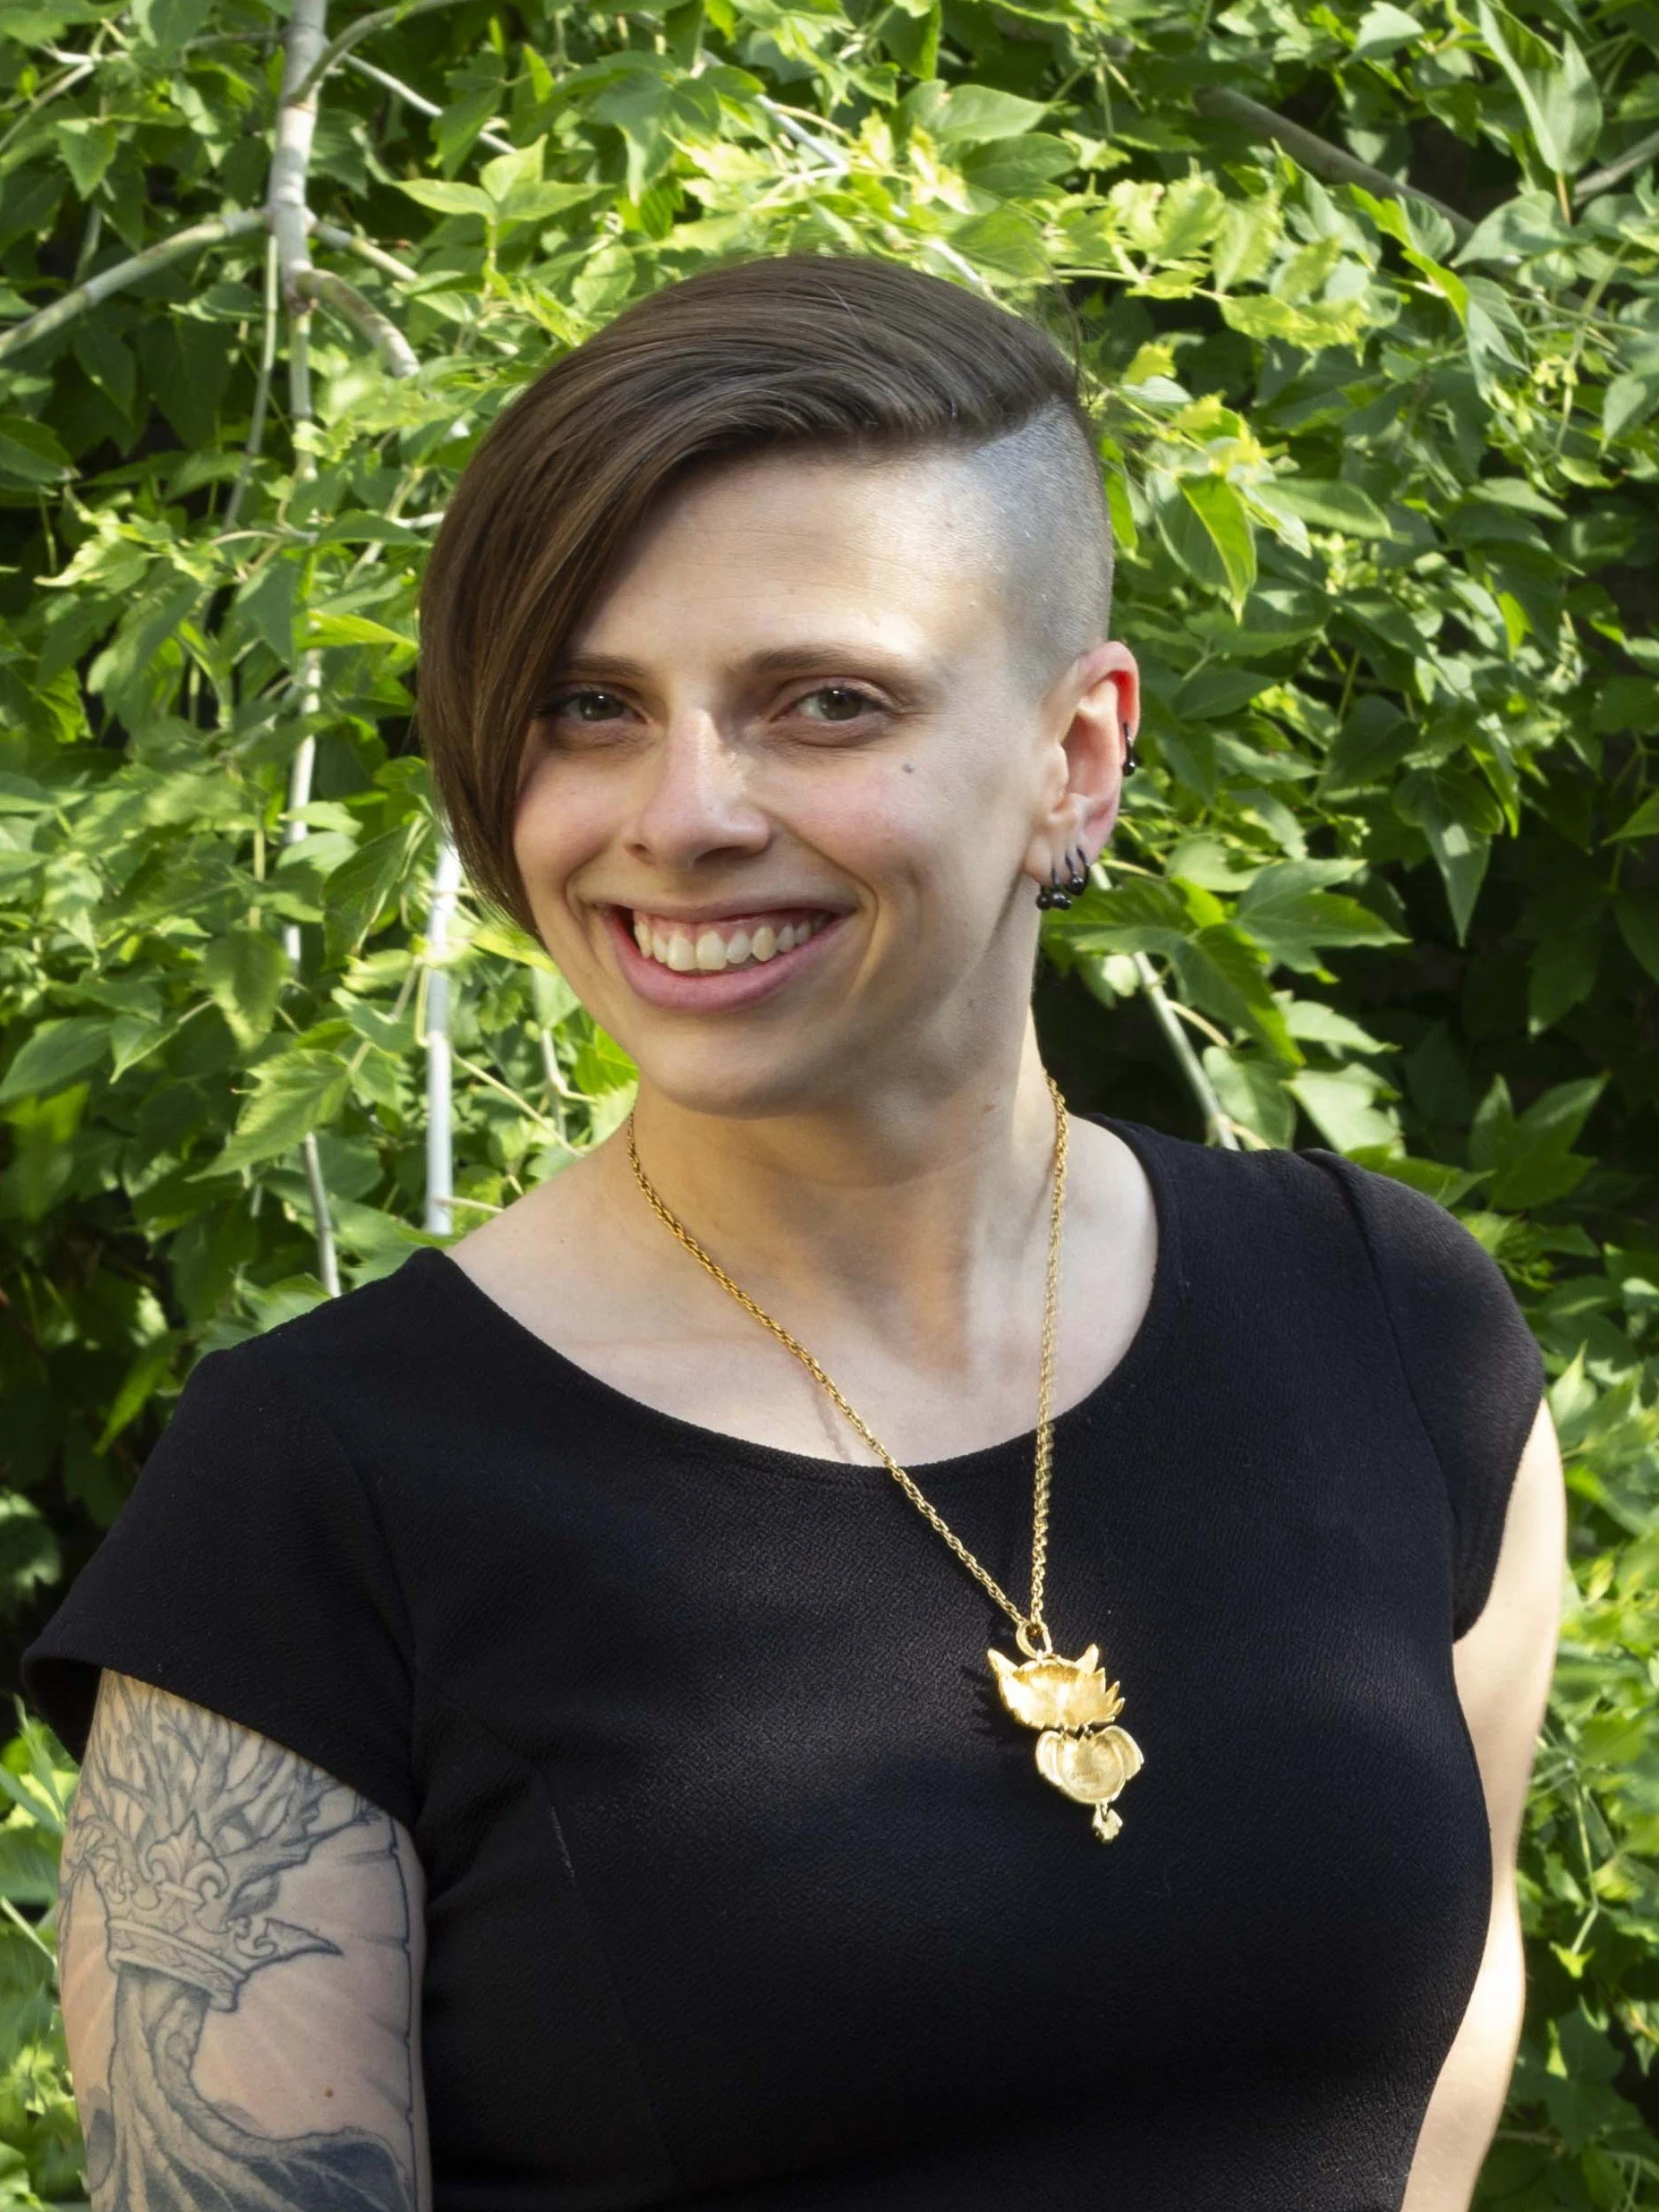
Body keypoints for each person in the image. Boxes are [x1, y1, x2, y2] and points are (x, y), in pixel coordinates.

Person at [21, 253, 1564, 2212]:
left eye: (823, 704)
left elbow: (1434, 2076)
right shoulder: (313, 1505)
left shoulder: (1394, 1326)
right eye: (592, 707)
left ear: (1075, 758)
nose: (682, 811)